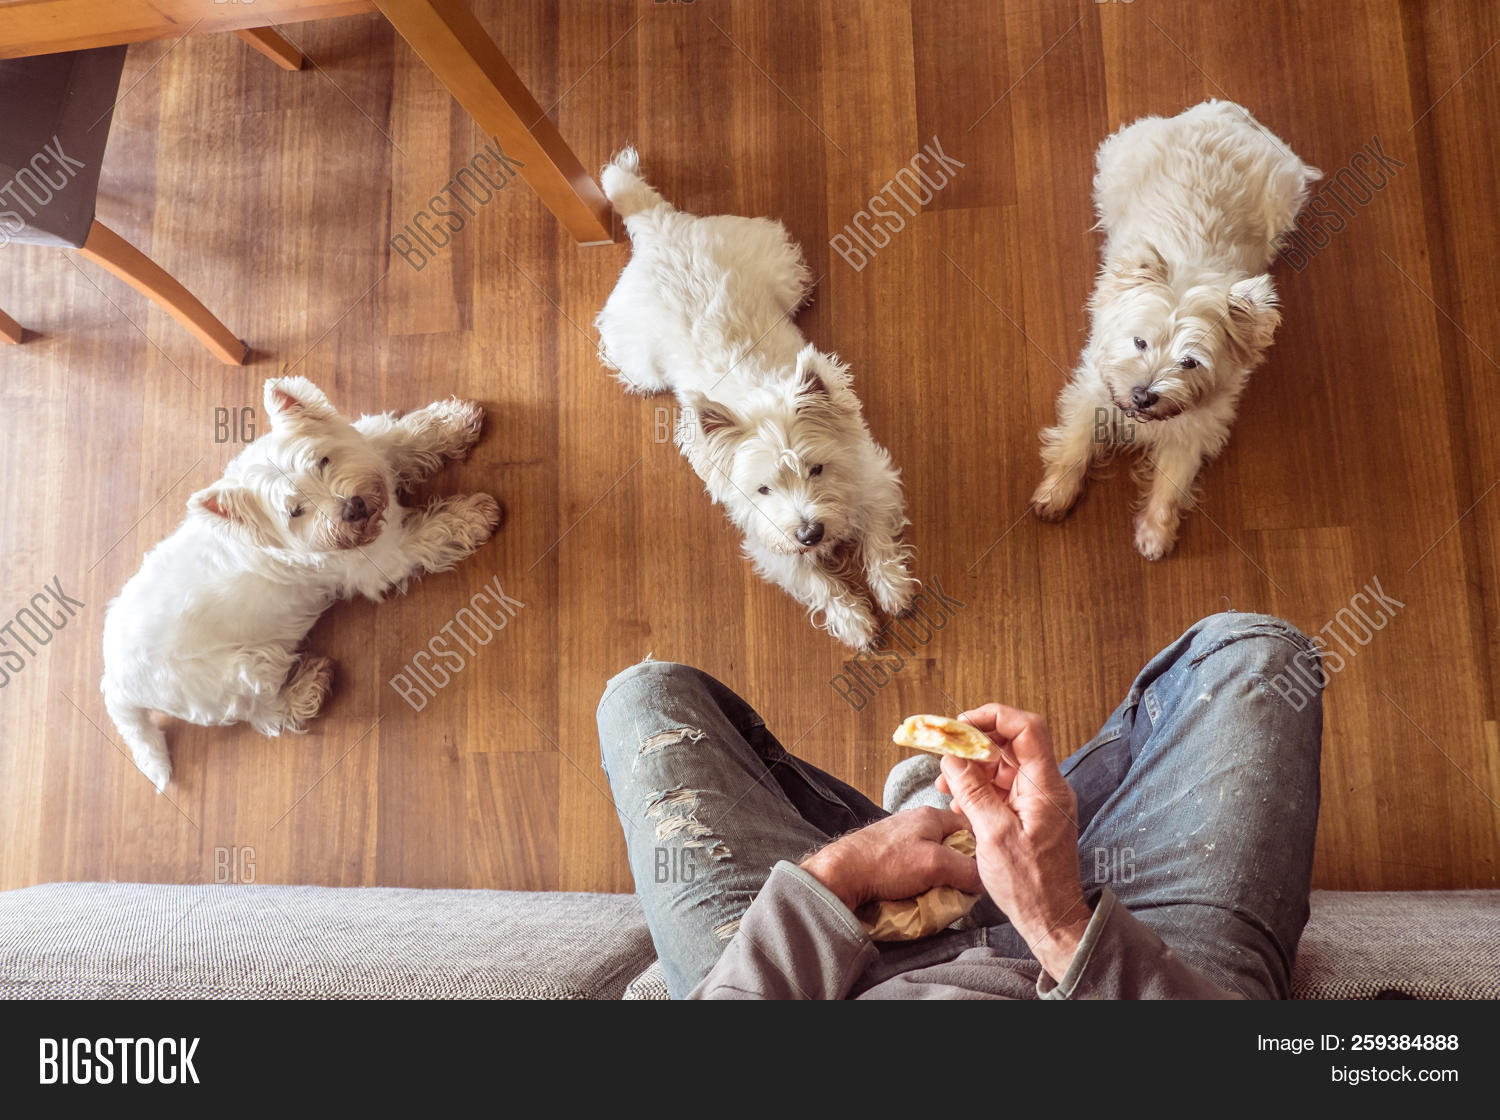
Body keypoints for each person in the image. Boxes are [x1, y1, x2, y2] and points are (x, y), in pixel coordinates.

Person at [596, 612, 1323, 999]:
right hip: (1122, 973)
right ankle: (971, 817)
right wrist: (1057, 922)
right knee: (1256, 653)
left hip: (835, 981)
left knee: (645, 696)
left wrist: (839, 873)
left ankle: (924, 816)